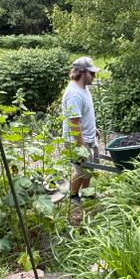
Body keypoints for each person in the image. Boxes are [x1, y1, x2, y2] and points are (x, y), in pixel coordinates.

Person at [62, 56, 100, 199]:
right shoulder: (74, 94)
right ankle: (73, 197)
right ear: (82, 73)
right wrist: (81, 146)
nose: (94, 76)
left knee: (88, 168)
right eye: (92, 73)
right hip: (77, 141)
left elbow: (84, 114)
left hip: (87, 137)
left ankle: (86, 193)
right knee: (80, 170)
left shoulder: (83, 88)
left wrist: (93, 128)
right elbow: (74, 123)